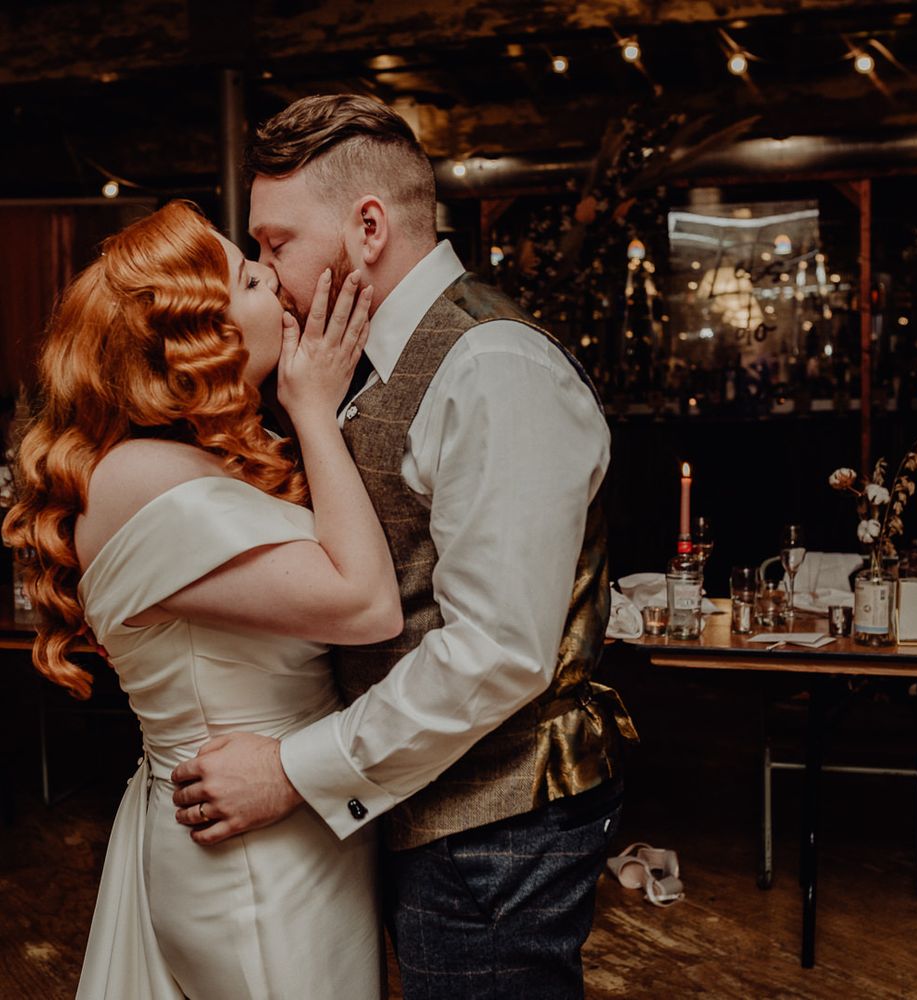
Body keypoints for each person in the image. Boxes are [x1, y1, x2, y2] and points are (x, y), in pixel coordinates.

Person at [171, 94, 638, 999]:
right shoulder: (365, 362)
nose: (267, 271)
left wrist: (290, 771)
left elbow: (497, 649)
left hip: (498, 825)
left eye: (276, 244)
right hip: (429, 807)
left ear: (369, 226)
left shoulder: (492, 366)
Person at [1, 200, 402, 999]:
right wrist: (314, 407)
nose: (278, 285)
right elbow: (366, 605)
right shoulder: (138, 477)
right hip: (248, 861)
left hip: (283, 827)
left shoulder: (178, 461)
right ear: (197, 332)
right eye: (251, 278)